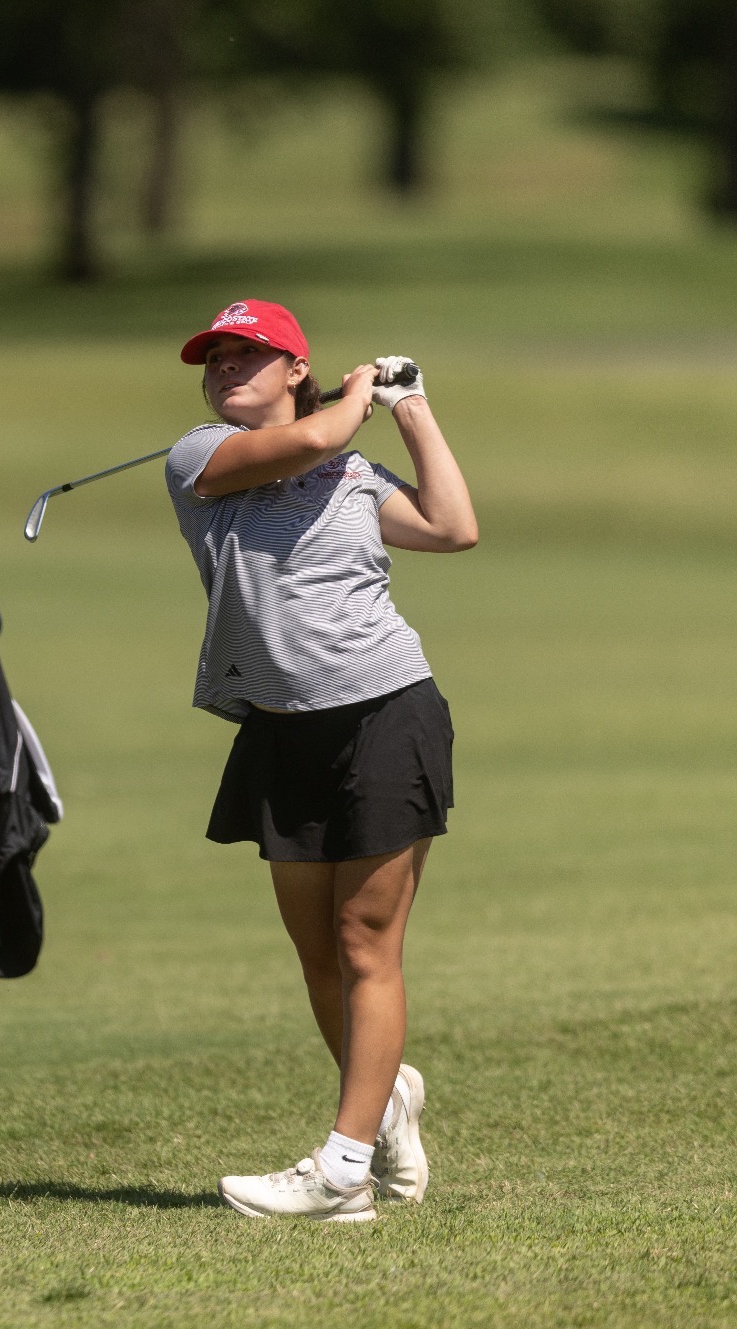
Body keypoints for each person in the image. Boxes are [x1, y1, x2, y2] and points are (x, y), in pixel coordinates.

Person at [164, 300, 478, 1222]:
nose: (226, 368)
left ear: (295, 367)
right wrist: (356, 395)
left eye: (248, 354)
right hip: (280, 730)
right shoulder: (199, 457)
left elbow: (453, 526)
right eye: (215, 358)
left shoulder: (354, 473)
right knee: (318, 959)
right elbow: (310, 439)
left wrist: (410, 407)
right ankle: (387, 1100)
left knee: (363, 941)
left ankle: (343, 1172)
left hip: (385, 713)